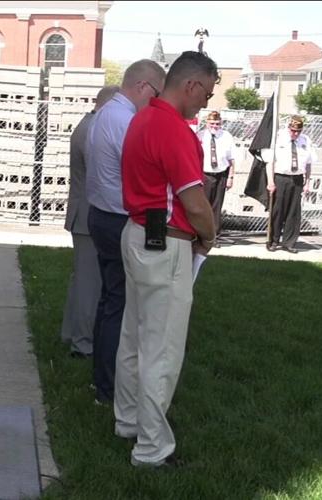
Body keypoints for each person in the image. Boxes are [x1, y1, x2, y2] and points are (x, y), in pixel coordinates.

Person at [115, 50, 218, 468]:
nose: (206, 103)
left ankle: (127, 421)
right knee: (162, 349)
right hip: (168, 241)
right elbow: (195, 203)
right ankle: (152, 448)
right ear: (191, 85)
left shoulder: (142, 118)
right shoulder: (173, 128)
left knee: (133, 338)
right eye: (207, 94)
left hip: (138, 231)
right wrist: (208, 237)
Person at [84, 59, 166, 404]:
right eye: (157, 93)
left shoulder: (105, 115)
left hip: (102, 213)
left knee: (111, 300)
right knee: (126, 305)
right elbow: (146, 177)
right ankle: (113, 386)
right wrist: (158, 233)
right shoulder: (126, 120)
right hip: (122, 218)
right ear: (144, 87)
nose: (158, 101)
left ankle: (103, 380)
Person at [61, 85, 120, 359]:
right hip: (88, 214)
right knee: (89, 284)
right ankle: (83, 344)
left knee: (82, 281)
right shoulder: (93, 129)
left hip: (83, 213)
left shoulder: (88, 125)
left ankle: (73, 334)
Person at [266, 116, 316, 254]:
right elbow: (269, 162)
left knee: (294, 212)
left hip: (297, 178)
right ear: (288, 128)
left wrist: (307, 182)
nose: (295, 134)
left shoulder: (305, 141)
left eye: (298, 131)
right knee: (277, 210)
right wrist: (270, 181)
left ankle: (289, 242)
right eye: (293, 130)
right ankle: (273, 240)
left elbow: (309, 164)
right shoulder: (279, 138)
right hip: (281, 177)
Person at [197, 110, 235, 245]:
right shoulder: (200, 136)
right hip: (205, 175)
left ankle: (214, 237)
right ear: (207, 123)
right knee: (204, 206)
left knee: (217, 207)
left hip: (221, 175)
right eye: (212, 123)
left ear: (221, 123)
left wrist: (230, 177)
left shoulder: (227, 137)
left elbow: (232, 159)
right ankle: (202, 235)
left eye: (217, 124)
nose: (214, 126)